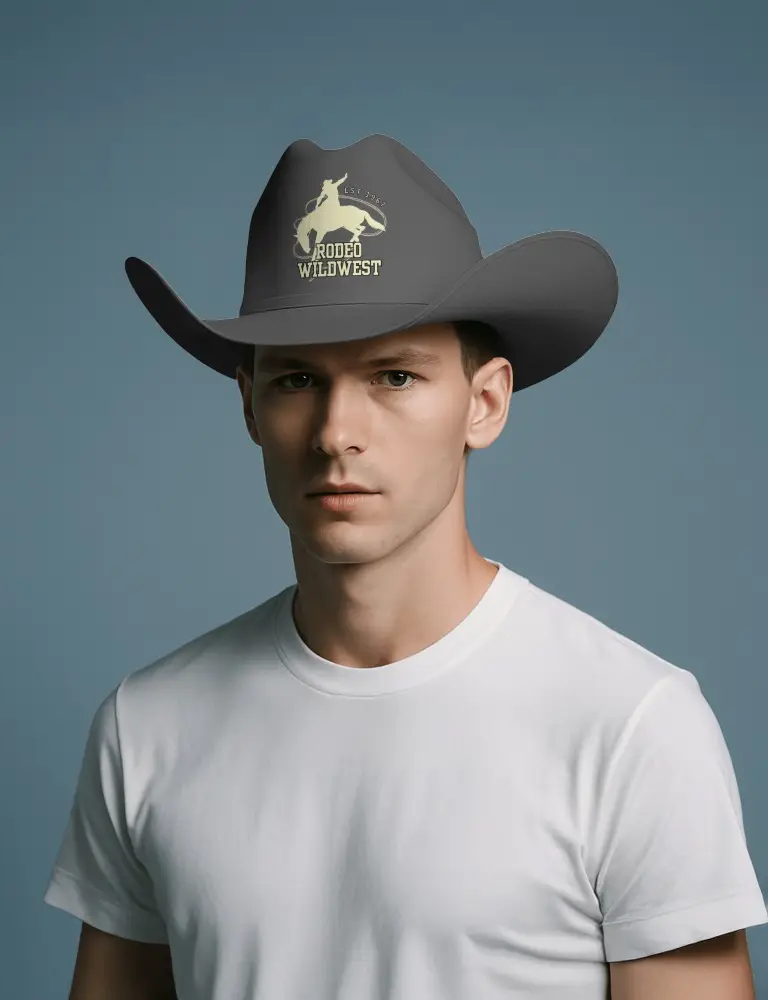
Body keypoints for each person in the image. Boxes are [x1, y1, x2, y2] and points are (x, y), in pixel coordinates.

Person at [44, 134, 767, 1000]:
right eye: (296, 381)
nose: (336, 432)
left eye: (393, 375)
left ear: (485, 402)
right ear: (248, 404)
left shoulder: (629, 725)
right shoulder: (149, 725)